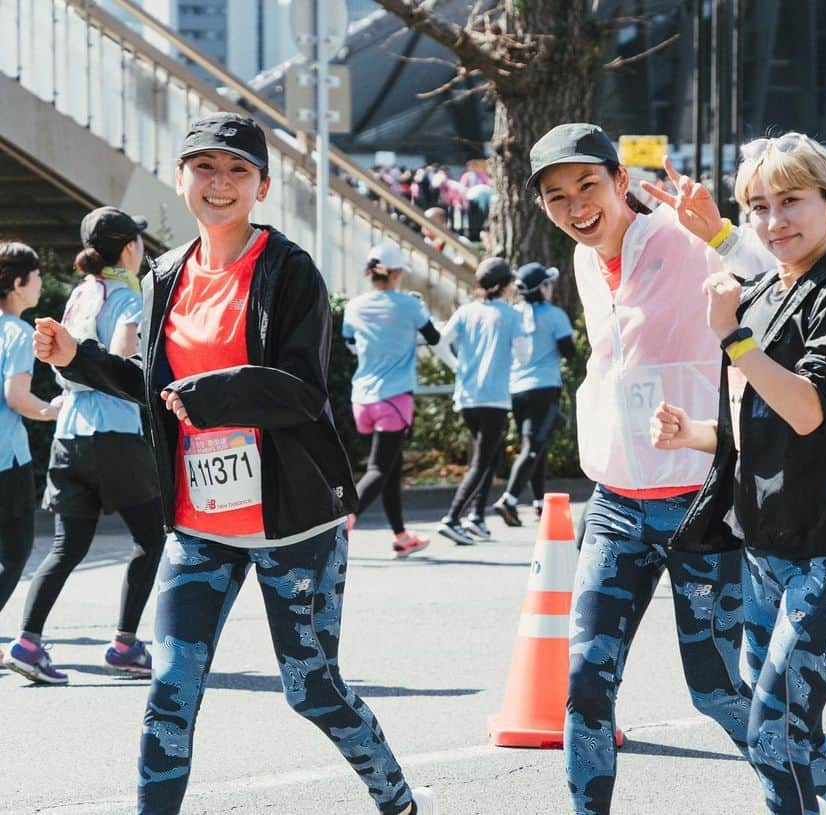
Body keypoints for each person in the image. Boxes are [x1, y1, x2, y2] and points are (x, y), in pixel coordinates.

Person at [31, 113, 436, 815]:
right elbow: (159, 388)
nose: (219, 184)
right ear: (182, 178)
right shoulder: (162, 276)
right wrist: (80, 359)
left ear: (263, 187)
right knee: (170, 688)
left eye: (237, 171)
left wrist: (212, 394)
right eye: (205, 169)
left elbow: (306, 390)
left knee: (311, 687)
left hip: (293, 522)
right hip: (200, 525)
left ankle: (396, 799)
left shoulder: (288, 271)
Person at [647, 133, 826, 815]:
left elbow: (808, 409)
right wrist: (696, 434)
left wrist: (733, 339)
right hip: (766, 542)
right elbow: (770, 422)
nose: (775, 220)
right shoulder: (773, 287)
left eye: (791, 201)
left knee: (774, 732)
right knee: (784, 729)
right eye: (759, 205)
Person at [529, 122, 775, 815]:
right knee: (585, 683)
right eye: (556, 196)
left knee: (720, 691)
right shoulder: (581, 261)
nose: (576, 206)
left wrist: (724, 234)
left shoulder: (679, 235)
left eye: (587, 186)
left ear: (620, 180)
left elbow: (782, 286)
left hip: (699, 503)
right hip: (615, 501)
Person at [4, 209, 165, 686]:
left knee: (66, 546)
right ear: (130, 248)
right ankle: (124, 645)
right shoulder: (131, 295)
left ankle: (28, 643)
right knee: (151, 538)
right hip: (115, 434)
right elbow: (120, 361)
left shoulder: (77, 296)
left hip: (69, 432)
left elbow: (60, 361)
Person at [342, 241, 448, 558]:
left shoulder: (354, 306)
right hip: (394, 398)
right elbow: (434, 338)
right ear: (397, 272)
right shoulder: (409, 306)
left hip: (362, 397)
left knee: (391, 467)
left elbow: (349, 343)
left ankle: (401, 535)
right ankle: (343, 521)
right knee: (378, 469)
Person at [435, 257, 527, 545]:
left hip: (467, 396)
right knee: (482, 461)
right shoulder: (512, 316)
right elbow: (523, 355)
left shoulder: (466, 311)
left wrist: (456, 365)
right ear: (503, 286)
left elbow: (439, 341)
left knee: (486, 456)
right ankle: (453, 517)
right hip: (495, 397)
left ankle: (477, 518)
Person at [0, 243, 61, 655]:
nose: (40, 283)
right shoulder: (18, 332)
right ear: (19, 283)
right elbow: (17, 396)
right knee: (16, 550)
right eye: (36, 275)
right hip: (7, 460)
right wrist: (52, 410)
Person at [492, 262, 575, 526]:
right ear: (543, 288)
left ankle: (541, 503)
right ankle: (510, 499)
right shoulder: (554, 315)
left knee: (535, 446)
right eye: (549, 283)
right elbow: (569, 352)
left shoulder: (515, 314)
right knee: (533, 446)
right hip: (545, 387)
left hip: (517, 389)